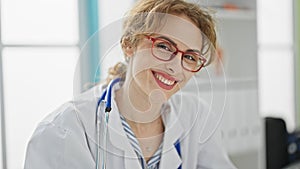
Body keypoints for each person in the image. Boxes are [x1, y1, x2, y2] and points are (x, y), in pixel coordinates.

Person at [24, 0, 236, 168]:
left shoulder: (195, 114)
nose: (175, 67)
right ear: (129, 45)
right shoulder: (64, 130)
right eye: (163, 46)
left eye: (189, 57)